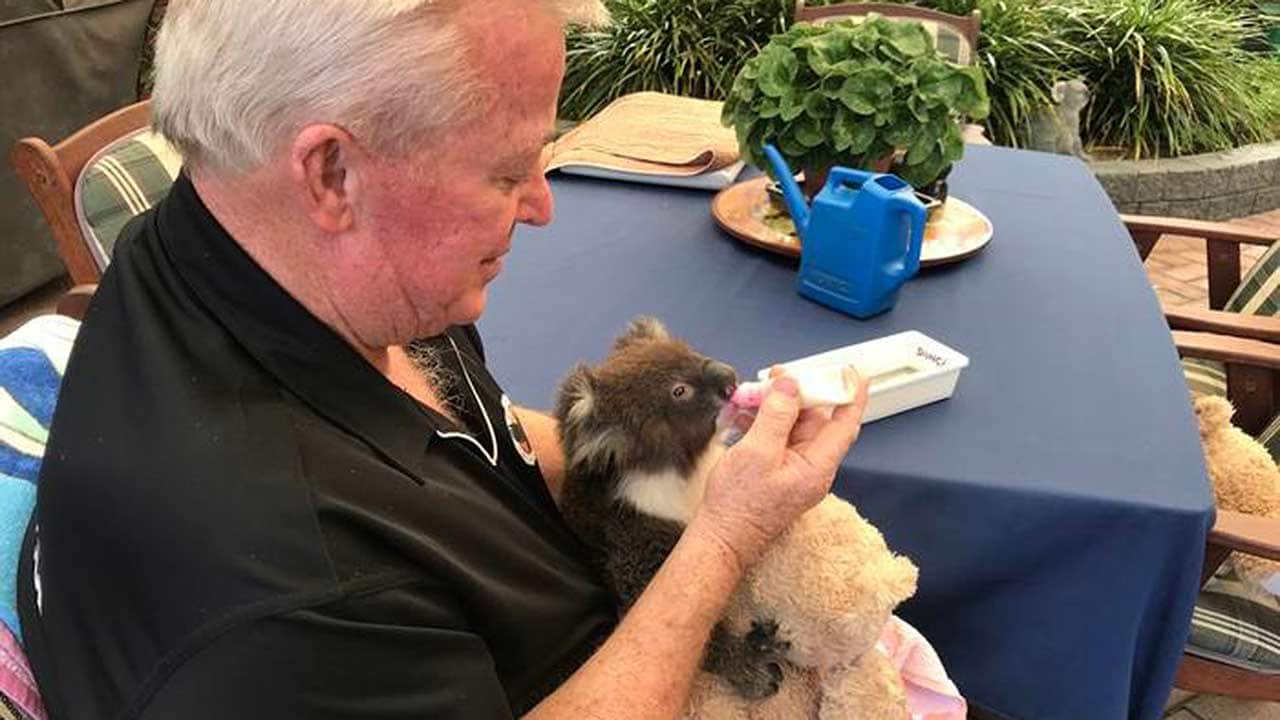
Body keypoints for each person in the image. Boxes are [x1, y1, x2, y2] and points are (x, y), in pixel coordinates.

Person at [17, 1, 869, 718]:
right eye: (505, 173)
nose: (540, 205)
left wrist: (654, 453)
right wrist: (723, 540)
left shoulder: (255, 254)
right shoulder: (295, 598)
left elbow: (472, 435)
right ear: (331, 173)